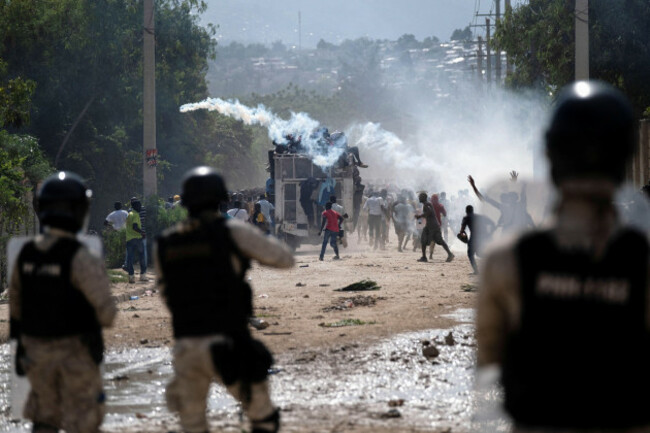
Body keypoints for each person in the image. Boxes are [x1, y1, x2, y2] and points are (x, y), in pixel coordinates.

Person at [476, 81, 650, 433]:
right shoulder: (642, 259)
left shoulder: (504, 261)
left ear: (552, 155)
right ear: (623, 157)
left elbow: (488, 379)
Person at [155, 166, 294, 433]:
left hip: (186, 344)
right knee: (262, 417)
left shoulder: (167, 242)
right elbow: (283, 259)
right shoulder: (232, 232)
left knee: (193, 424)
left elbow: (166, 293)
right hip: (229, 341)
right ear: (221, 199)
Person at [9, 171, 116, 433]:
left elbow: (16, 309)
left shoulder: (26, 254)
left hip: (36, 355)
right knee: (85, 422)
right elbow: (107, 314)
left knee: (44, 421)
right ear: (79, 210)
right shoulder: (81, 256)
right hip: (75, 355)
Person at [415, 192, 454, 263]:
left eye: (420, 197)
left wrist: (420, 216)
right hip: (433, 225)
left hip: (431, 226)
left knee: (424, 240)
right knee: (440, 241)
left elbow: (429, 212)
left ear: (423, 197)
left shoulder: (427, 204)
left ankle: (424, 257)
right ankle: (450, 254)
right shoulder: (427, 204)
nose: (419, 198)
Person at [458, 205, 495, 274]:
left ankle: (476, 271)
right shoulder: (479, 216)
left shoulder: (466, 217)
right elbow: (492, 223)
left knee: (470, 254)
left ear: (466, 211)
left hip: (474, 237)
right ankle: (492, 263)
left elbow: (462, 229)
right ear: (472, 210)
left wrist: (461, 234)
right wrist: (490, 233)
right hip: (483, 237)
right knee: (479, 253)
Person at [126, 197, 147, 283]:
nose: (140, 207)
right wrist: (142, 233)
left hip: (129, 239)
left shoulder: (129, 214)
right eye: (139, 206)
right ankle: (142, 276)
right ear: (135, 206)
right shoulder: (135, 214)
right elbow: (135, 227)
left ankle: (131, 277)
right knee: (142, 257)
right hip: (137, 238)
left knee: (130, 258)